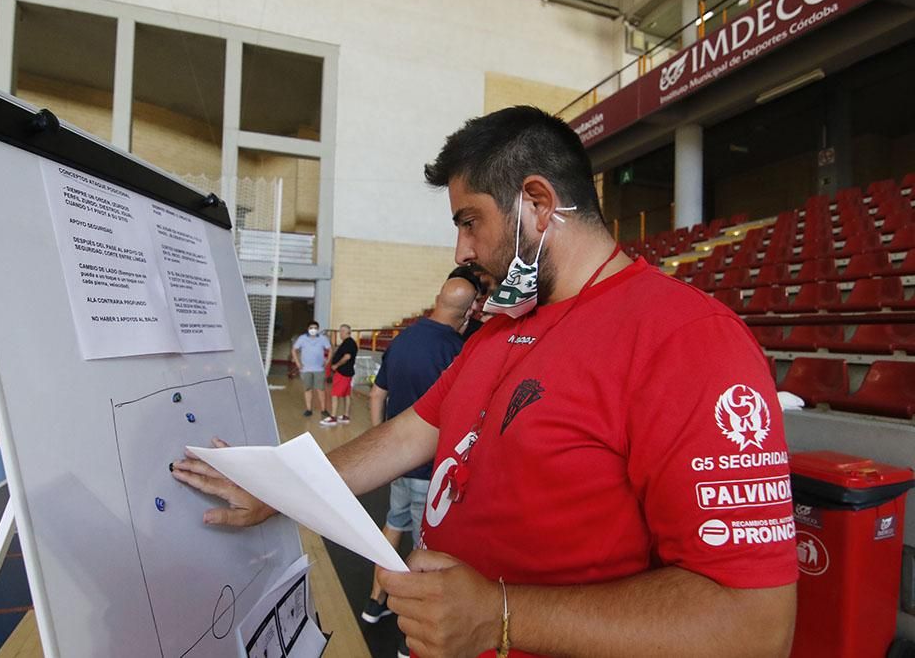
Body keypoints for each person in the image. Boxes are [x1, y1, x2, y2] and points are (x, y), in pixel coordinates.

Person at [173, 106, 797, 658]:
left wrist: (498, 615)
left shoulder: (686, 338)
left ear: (538, 203)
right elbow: (411, 433)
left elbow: (755, 625)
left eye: (470, 221)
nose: (461, 249)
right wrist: (280, 486)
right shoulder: (502, 330)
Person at [360, 276, 477, 646]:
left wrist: (382, 445)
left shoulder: (403, 338)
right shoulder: (459, 349)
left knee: (391, 529)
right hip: (430, 469)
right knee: (424, 551)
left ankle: (375, 603)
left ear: (437, 298)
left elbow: (377, 394)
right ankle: (411, 639)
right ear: (471, 310)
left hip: (398, 463)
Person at [320, 324, 358, 426]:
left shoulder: (348, 343)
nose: (340, 333)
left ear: (347, 332)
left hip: (342, 373)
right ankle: (346, 416)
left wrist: (336, 365)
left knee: (335, 394)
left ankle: (333, 417)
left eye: (341, 331)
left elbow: (347, 356)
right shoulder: (348, 342)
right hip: (347, 373)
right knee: (347, 394)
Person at [291, 321, 331, 418]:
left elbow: (330, 349)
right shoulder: (302, 338)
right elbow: (294, 350)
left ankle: (323, 410)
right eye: (311, 328)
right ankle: (308, 409)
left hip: (319, 369)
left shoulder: (323, 339)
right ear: (308, 329)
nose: (313, 329)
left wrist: (327, 361)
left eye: (315, 328)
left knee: (321, 390)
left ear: (318, 329)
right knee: (308, 389)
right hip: (305, 369)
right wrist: (298, 362)